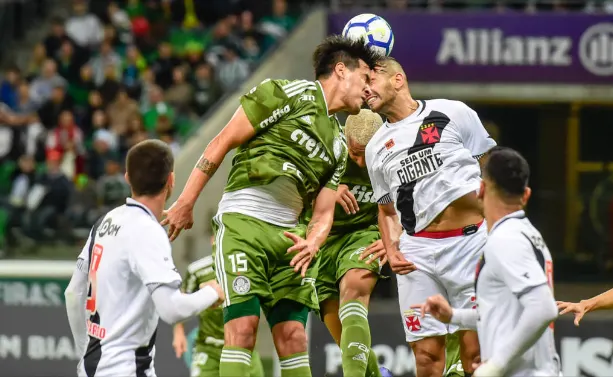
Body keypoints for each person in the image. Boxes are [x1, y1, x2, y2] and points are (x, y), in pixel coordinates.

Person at [162, 35, 380, 377]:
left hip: (291, 241)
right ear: (341, 70)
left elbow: (323, 212)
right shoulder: (284, 93)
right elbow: (222, 141)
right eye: (366, 78)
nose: (369, 90)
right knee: (243, 329)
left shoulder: (339, 144)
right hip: (244, 226)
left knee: (294, 337)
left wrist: (314, 241)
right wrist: (186, 202)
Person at [359, 57, 496, 377]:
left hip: (471, 245)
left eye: (372, 80)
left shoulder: (453, 112)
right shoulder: (375, 146)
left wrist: (500, 222)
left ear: (397, 80)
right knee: (426, 357)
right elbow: (386, 210)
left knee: (477, 353)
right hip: (417, 254)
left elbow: (492, 167)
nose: (365, 89)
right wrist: (391, 249)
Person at [317, 109, 465, 377]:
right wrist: (327, 188)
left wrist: (390, 241)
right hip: (322, 238)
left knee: (353, 291)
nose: (361, 162)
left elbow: (412, 206)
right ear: (344, 140)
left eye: (366, 153)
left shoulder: (394, 157)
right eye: (354, 154)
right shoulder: (326, 149)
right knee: (342, 335)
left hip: (364, 234)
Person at [64, 139, 224, 377]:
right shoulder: (147, 231)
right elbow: (172, 309)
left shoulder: (106, 221)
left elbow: (72, 293)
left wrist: (84, 354)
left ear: (127, 178)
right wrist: (213, 292)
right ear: (171, 180)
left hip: (92, 369)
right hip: (125, 369)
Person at [413, 147, 560, 377]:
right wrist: (454, 316)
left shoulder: (506, 239)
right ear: (526, 194)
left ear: (481, 189)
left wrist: (496, 366)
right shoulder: (528, 235)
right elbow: (505, 311)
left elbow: (543, 308)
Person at [172, 236, 265, 377]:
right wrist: (178, 333)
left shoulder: (251, 268)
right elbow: (183, 302)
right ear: (213, 240)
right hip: (209, 349)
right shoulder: (197, 270)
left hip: (244, 350)